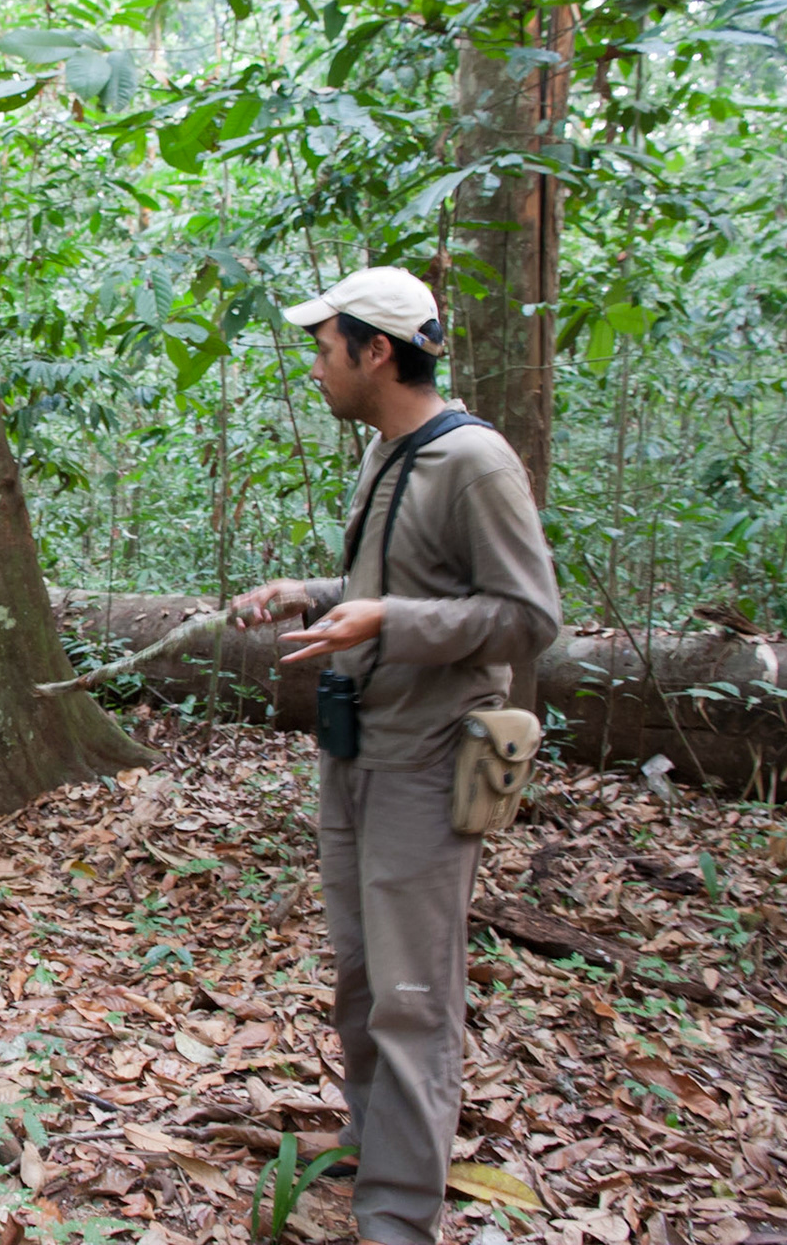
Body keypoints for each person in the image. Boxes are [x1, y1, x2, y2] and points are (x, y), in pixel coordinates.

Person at [229, 266, 561, 1245]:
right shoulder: (387, 452)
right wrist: (315, 590)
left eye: (325, 348)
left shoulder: (476, 461)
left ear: (377, 351)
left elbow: (529, 617)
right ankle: (375, 1147)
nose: (318, 367)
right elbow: (387, 581)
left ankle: (398, 1217)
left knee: (416, 991)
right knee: (364, 975)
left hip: (428, 758)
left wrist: (392, 619)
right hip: (355, 749)